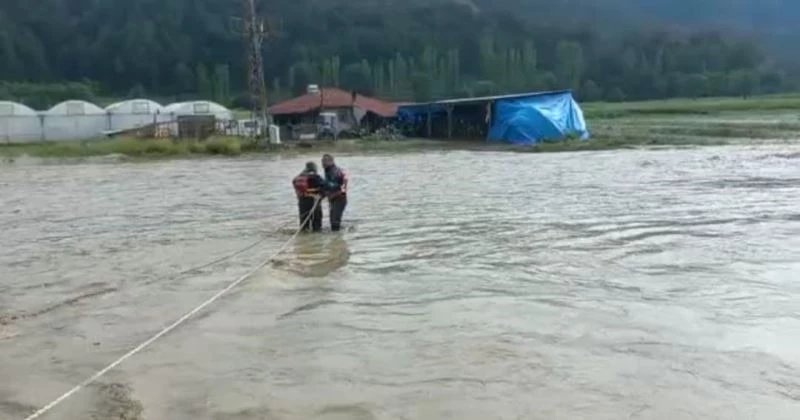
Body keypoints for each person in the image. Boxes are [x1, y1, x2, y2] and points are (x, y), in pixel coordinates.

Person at [292, 161, 325, 232]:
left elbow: (294, 184)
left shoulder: (298, 177)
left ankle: (304, 234)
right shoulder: (316, 177)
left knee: (303, 222)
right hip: (314, 202)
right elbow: (324, 187)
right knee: (316, 223)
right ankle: (316, 235)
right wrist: (321, 196)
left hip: (302, 201)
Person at [321, 154, 348, 232]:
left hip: (339, 198)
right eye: (322, 161)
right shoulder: (328, 170)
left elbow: (336, 185)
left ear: (332, 161)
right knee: (333, 221)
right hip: (334, 198)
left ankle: (337, 238)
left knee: (335, 222)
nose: (323, 163)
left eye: (325, 161)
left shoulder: (334, 171)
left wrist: (323, 186)